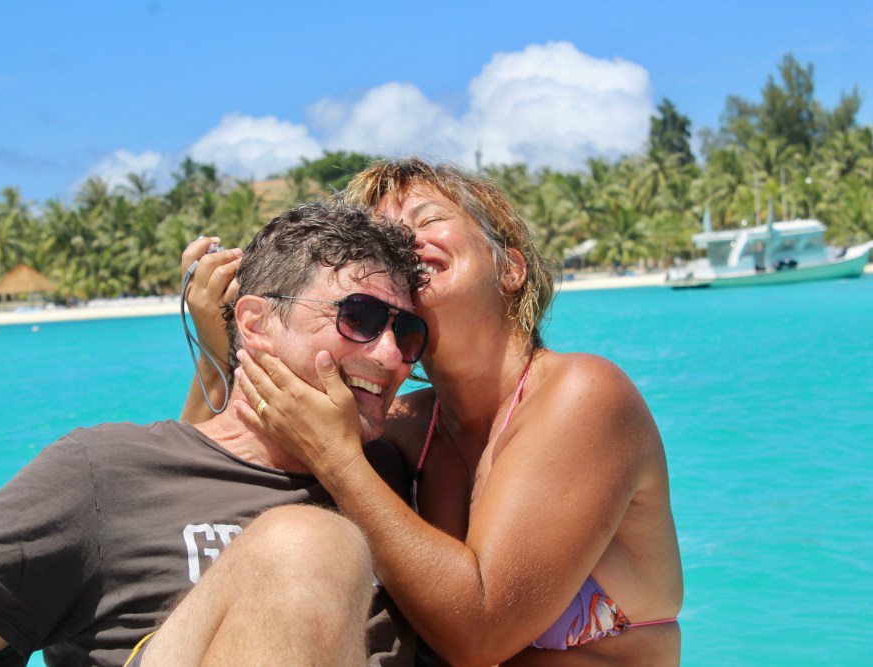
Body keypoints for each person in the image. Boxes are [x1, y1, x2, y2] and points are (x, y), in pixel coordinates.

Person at [0, 201, 428, 667]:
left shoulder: (394, 479)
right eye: (359, 317)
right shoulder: (109, 472)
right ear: (256, 324)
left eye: (407, 333)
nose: (391, 357)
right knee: (306, 543)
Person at [182, 157, 683, 666]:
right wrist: (219, 347)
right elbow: (208, 481)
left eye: (426, 220)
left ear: (511, 268)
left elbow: (481, 635)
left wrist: (337, 458)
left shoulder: (583, 394)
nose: (405, 243)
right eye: (387, 237)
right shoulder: (403, 426)